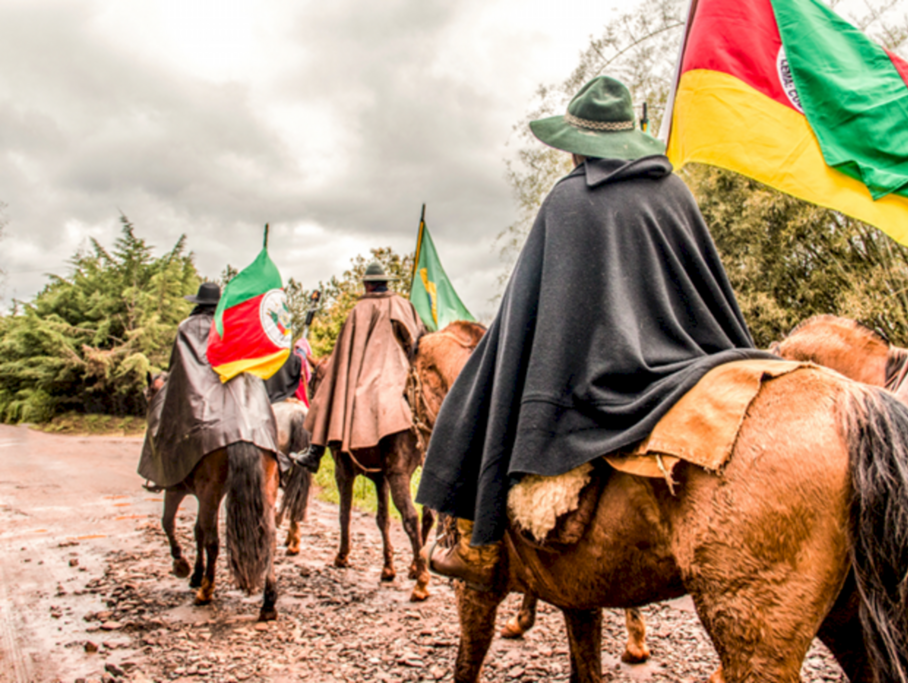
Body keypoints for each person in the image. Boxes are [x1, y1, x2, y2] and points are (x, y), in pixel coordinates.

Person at [415, 75, 775, 588]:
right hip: (694, 365)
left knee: (481, 381)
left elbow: (526, 317)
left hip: (600, 380)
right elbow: (706, 294)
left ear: (578, 149)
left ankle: (480, 544)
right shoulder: (675, 190)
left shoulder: (568, 200)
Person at [138, 281, 278, 489]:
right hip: (233, 394)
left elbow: (179, 368)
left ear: (198, 303)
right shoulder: (233, 326)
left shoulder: (186, 327)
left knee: (162, 419)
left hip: (198, 397)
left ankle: (161, 473)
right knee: (264, 416)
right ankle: (279, 462)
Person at [293, 262, 427, 473]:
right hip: (403, 379)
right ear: (385, 283)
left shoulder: (360, 310)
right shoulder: (405, 305)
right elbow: (420, 340)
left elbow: (343, 355)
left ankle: (315, 451)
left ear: (367, 285)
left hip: (368, 381)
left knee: (328, 388)